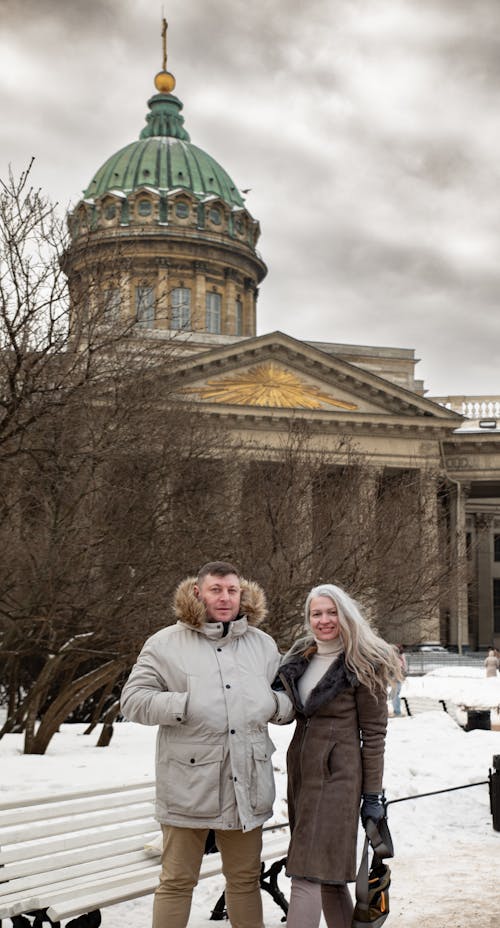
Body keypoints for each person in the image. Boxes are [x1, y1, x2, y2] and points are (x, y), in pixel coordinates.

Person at [120, 560, 292, 928]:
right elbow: (132, 700)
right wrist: (184, 703)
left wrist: (274, 704)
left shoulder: (262, 645)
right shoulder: (165, 643)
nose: (225, 597)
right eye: (216, 589)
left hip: (246, 784)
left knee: (245, 880)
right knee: (177, 881)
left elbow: (287, 698)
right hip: (188, 786)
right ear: (198, 592)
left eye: (232, 590)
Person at [272, 583, 402, 928]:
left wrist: (372, 795)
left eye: (332, 612)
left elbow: (374, 735)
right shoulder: (301, 659)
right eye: (317, 613)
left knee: (306, 875)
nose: (324, 620)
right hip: (302, 778)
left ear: (345, 616)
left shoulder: (363, 663)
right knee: (327, 877)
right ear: (308, 618)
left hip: (338, 780)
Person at [390, 644, 407, 715]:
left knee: (395, 694)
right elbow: (404, 669)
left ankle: (397, 711)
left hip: (396, 678)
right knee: (394, 694)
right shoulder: (401, 657)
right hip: (397, 678)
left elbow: (398, 669)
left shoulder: (398, 659)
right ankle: (397, 710)